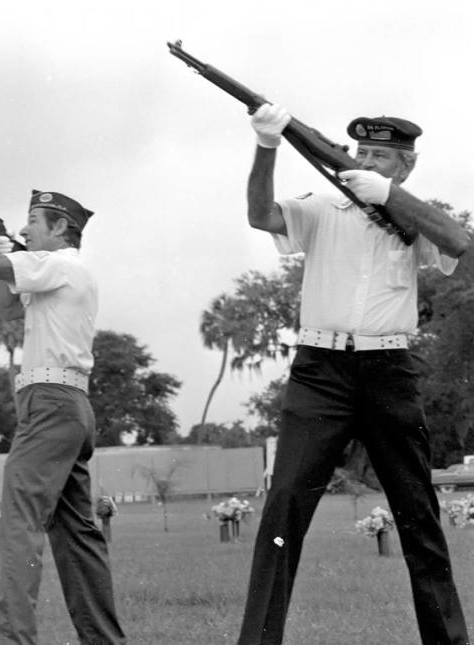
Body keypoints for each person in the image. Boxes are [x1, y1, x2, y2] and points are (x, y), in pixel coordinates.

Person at [236, 106, 471, 645]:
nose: (364, 161)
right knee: (285, 505)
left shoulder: (409, 210)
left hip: (389, 370)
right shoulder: (322, 206)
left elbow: (459, 242)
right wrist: (267, 145)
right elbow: (260, 216)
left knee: (418, 512)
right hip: (320, 370)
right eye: (359, 152)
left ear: (404, 167)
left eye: (379, 156)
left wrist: (386, 197)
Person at [0, 180, 126, 645]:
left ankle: (13, 639)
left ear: (60, 228)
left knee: (19, 522)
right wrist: (0, 250)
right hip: (65, 405)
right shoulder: (57, 271)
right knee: (76, 532)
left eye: (34, 222)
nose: (23, 229)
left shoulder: (56, 264)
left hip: (49, 402)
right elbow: (9, 308)